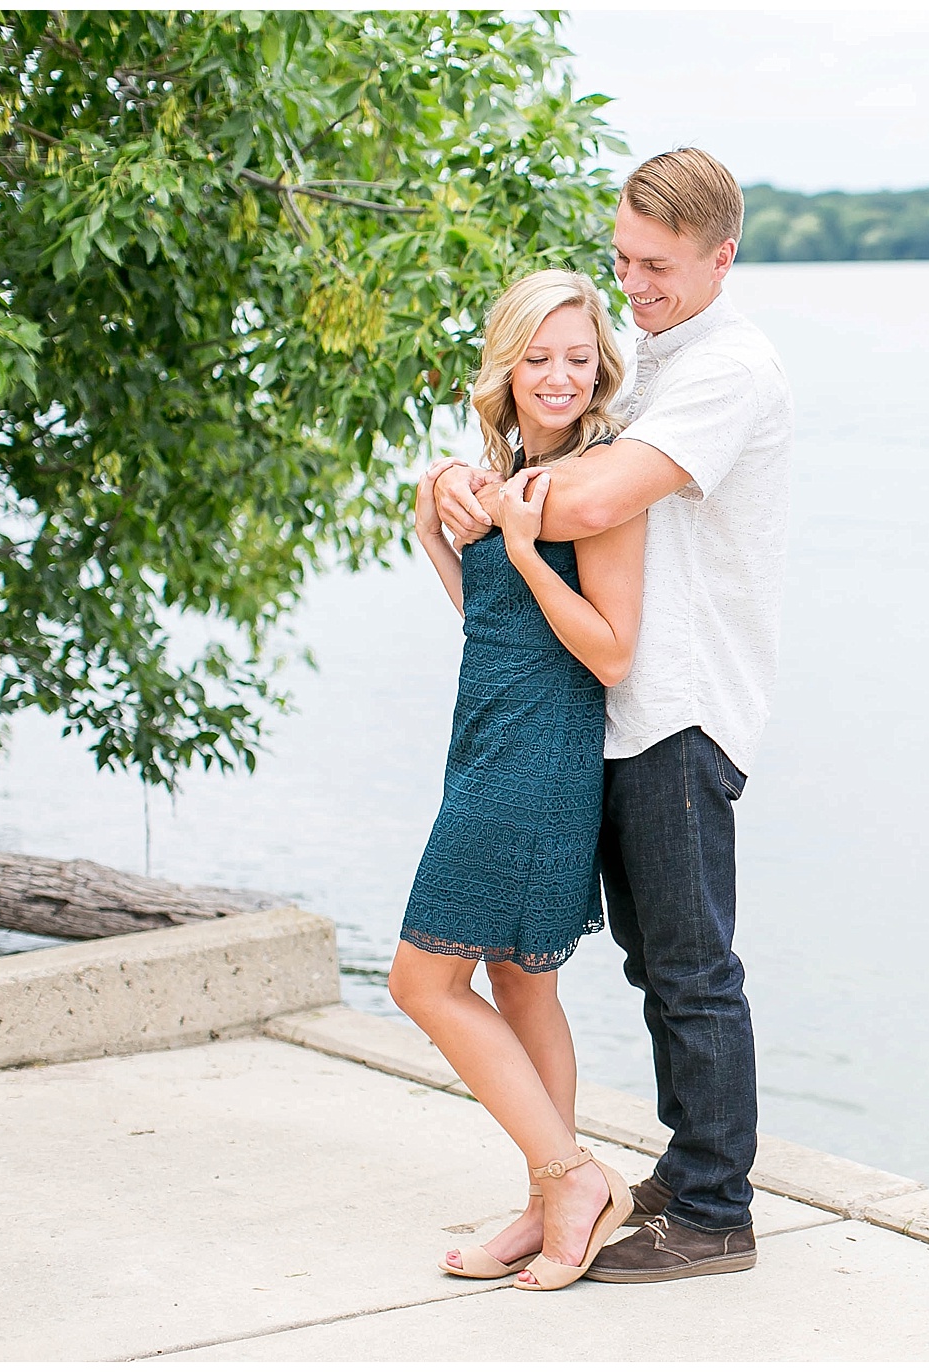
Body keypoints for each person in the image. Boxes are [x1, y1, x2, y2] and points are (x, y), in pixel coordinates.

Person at [432, 147, 792, 1284]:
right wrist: (457, 484)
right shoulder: (647, 366)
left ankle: (713, 1207)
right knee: (650, 964)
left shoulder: (728, 370)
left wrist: (478, 497)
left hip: (679, 708)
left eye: (658, 264)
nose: (633, 283)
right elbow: (566, 448)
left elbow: (588, 493)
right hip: (610, 715)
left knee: (691, 969)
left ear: (720, 256)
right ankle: (643, 1179)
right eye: (623, 259)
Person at [390, 269, 649, 1293]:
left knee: (421, 979)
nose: (559, 376)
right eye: (539, 357)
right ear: (506, 366)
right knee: (518, 982)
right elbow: (496, 629)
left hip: (539, 759)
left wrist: (532, 551)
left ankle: (570, 1176)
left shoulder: (601, 480)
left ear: (601, 369)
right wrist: (436, 535)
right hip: (488, 740)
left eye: (578, 359)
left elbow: (610, 653)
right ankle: (548, 1206)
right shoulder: (508, 468)